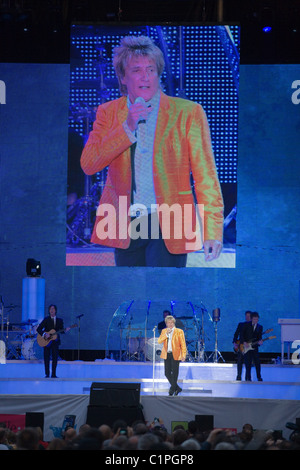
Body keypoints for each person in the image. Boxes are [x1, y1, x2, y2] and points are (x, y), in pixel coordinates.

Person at [80, 35, 224, 267]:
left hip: (170, 218)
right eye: (136, 70)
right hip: (126, 220)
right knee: (130, 292)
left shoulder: (188, 112)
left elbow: (206, 176)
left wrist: (213, 230)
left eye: (151, 69)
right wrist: (127, 127)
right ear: (123, 77)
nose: (145, 77)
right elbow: (89, 164)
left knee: (164, 293)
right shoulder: (108, 112)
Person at [36, 304, 70, 378]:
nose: (52, 310)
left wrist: (65, 330)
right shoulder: (46, 319)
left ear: (55, 310)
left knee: (55, 358)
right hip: (46, 341)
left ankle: (54, 374)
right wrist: (45, 334)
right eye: (50, 309)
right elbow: (38, 329)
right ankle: (47, 374)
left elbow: (61, 331)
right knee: (46, 358)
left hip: (55, 341)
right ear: (49, 311)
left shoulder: (59, 320)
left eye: (53, 309)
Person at [158, 315, 187, 395]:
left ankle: (172, 389)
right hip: (166, 354)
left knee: (174, 372)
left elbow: (183, 344)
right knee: (167, 373)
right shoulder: (164, 331)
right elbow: (159, 341)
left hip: (176, 354)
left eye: (171, 322)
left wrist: (183, 355)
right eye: (168, 323)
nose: (170, 324)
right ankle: (177, 388)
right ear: (166, 324)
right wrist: (166, 334)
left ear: (174, 323)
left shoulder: (179, 331)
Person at [240, 312, 263, 381]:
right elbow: (242, 335)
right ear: (251, 319)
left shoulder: (260, 327)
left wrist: (260, 342)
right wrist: (244, 342)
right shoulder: (246, 325)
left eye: (257, 319)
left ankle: (259, 377)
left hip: (255, 347)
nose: (256, 321)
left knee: (257, 362)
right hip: (247, 347)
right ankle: (248, 377)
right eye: (254, 319)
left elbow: (259, 337)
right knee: (248, 363)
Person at [232, 310, 252, 380]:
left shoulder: (253, 326)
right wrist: (235, 342)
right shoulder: (241, 324)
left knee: (248, 362)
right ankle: (238, 376)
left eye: (249, 316)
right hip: (241, 346)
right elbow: (236, 334)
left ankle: (248, 377)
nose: (247, 317)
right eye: (246, 316)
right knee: (239, 361)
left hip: (248, 346)